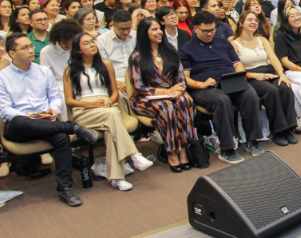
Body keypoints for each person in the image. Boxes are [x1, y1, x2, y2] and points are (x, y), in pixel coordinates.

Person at [0, 32, 99, 207]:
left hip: (45, 122)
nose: (31, 50)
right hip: (18, 125)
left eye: (31, 46)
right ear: (12, 53)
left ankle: (65, 189)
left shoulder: (43, 71)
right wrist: (28, 117)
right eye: (25, 48)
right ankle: (72, 127)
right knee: (21, 121)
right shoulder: (2, 76)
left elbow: (54, 97)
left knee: (61, 139)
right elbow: (4, 109)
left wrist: (53, 110)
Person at [63, 32, 153, 190]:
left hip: (107, 106)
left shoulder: (106, 64)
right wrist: (91, 104)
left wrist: (111, 101)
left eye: (92, 41)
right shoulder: (69, 70)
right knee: (113, 115)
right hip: (84, 109)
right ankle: (133, 154)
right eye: (86, 43)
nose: (92, 45)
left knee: (111, 129)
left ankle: (117, 178)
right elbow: (69, 101)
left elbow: (114, 92)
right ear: (78, 50)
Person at [179, 11, 264, 163]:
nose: (209, 34)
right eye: (205, 31)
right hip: (204, 87)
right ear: (195, 28)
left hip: (228, 80)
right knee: (222, 100)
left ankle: (252, 140)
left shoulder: (223, 43)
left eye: (212, 30)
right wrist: (201, 84)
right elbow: (184, 78)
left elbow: (237, 63)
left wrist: (239, 75)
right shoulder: (187, 49)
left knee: (250, 94)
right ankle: (226, 149)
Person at [130, 18, 197, 172]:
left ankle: (184, 148)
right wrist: (167, 92)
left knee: (185, 100)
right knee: (166, 106)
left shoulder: (171, 51)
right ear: (144, 33)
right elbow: (139, 87)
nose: (159, 32)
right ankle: (172, 151)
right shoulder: (137, 57)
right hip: (146, 98)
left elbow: (180, 78)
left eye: (159, 29)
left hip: (172, 92)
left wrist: (178, 91)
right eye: (154, 29)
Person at [231, 11, 298, 146]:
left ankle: (289, 128)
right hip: (249, 76)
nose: (253, 22)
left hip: (268, 72)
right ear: (241, 23)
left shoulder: (262, 39)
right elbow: (237, 68)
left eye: (255, 20)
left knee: (285, 87)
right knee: (271, 91)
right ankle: (278, 131)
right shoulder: (234, 43)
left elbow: (273, 58)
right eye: (249, 20)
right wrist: (253, 75)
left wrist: (282, 74)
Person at [95, 9, 136, 93]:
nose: (126, 32)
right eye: (122, 29)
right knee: (120, 94)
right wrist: (113, 81)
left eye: (128, 28)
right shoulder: (102, 40)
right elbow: (102, 66)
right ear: (113, 25)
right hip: (116, 79)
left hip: (137, 78)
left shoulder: (137, 36)